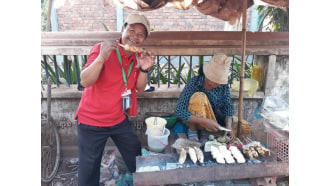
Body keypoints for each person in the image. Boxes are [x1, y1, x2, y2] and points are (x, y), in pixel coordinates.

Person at [74, 14, 155, 186]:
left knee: (135, 154)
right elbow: (85, 81)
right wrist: (101, 58)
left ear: (143, 40)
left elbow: (140, 88)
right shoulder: (101, 49)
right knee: (88, 173)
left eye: (140, 35)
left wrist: (144, 69)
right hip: (91, 122)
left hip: (118, 119)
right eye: (131, 30)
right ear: (122, 30)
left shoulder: (136, 58)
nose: (135, 37)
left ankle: (142, 181)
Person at [175, 53, 234, 144]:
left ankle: (209, 133)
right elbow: (180, 110)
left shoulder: (223, 86)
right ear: (207, 75)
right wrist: (206, 122)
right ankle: (194, 133)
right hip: (198, 122)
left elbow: (228, 106)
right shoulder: (194, 83)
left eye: (219, 82)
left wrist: (228, 125)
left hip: (216, 122)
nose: (217, 85)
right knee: (199, 97)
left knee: (244, 127)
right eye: (214, 81)